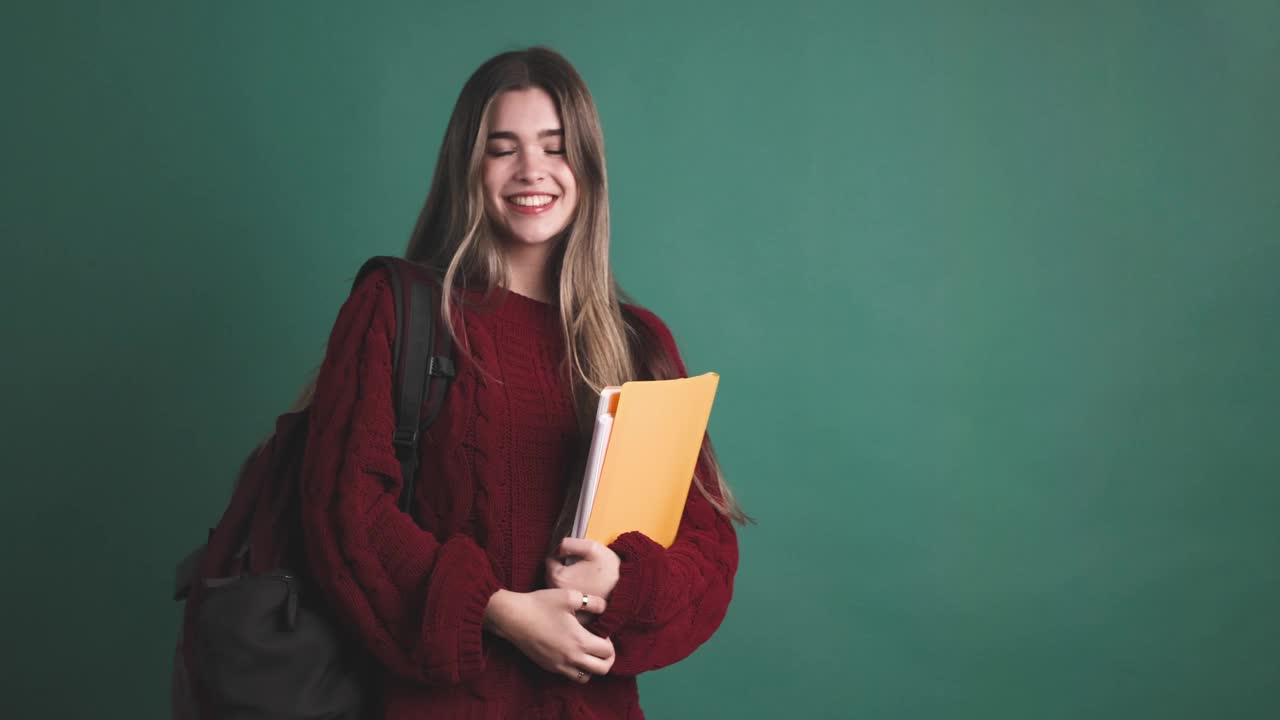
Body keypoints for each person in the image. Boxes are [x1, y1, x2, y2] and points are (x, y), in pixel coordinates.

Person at [297, 46, 747, 719]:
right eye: (502, 148)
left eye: (554, 147)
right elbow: (345, 512)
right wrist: (498, 612)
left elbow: (706, 553)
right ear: (469, 169)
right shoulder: (398, 308)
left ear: (587, 168)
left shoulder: (638, 342)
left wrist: (620, 583)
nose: (531, 170)